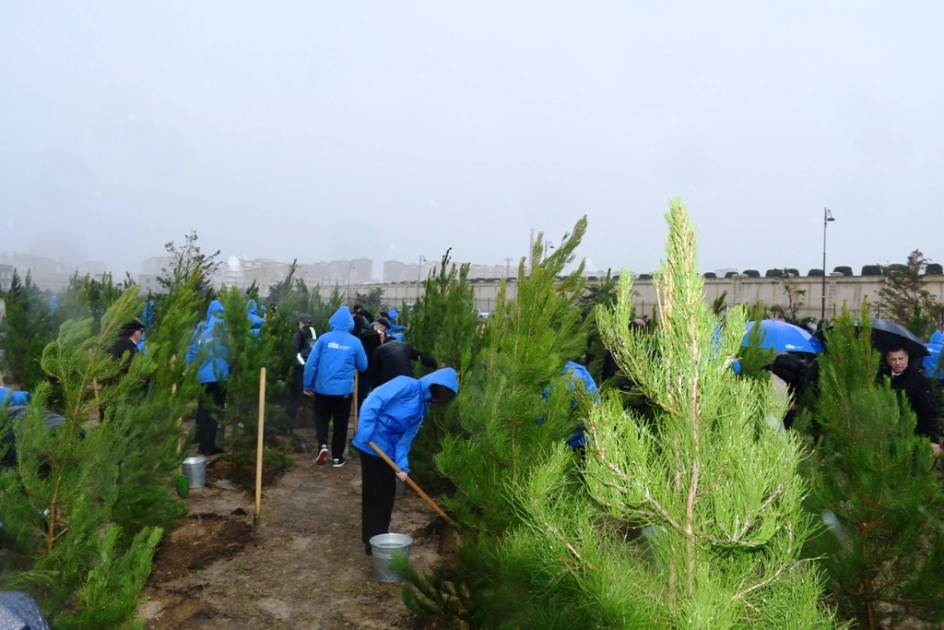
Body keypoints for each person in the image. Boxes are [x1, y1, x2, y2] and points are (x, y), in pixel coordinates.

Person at [352, 368, 458, 556]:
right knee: (380, 496)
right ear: (434, 386)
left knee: (380, 495)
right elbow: (373, 401)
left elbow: (405, 439)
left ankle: (371, 537)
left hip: (388, 452)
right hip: (372, 445)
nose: (438, 401)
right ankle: (375, 542)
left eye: (442, 400)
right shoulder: (405, 385)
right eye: (439, 397)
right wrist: (366, 431)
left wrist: (402, 465)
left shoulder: (421, 409)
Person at [304, 306, 368, 467]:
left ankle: (322, 445)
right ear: (350, 323)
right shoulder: (355, 342)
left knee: (321, 418)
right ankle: (338, 458)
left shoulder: (324, 339)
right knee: (341, 423)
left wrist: (308, 385)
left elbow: (311, 364)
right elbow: (363, 365)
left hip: (323, 389)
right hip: (344, 391)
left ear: (332, 321)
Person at [185, 300, 230, 456]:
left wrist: (190, 367)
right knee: (215, 412)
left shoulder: (202, 334)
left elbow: (190, 353)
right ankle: (210, 447)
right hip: (220, 378)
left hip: (202, 378)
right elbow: (233, 355)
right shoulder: (226, 333)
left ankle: (201, 445)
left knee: (203, 410)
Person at [881, 345, 941, 458]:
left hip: (912, 434)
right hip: (886, 434)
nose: (898, 363)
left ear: (907, 358)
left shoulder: (919, 380)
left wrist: (934, 439)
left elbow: (929, 411)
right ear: (888, 360)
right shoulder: (882, 377)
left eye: (901, 358)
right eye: (893, 359)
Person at [99, 318, 146, 421]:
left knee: (106, 427)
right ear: (135, 333)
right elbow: (136, 373)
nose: (141, 335)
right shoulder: (130, 349)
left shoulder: (110, 345)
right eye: (141, 332)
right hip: (123, 398)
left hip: (106, 395)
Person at [285, 313, 317, 423]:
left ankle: (287, 424)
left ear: (300, 323)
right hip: (317, 372)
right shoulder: (320, 334)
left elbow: (295, 353)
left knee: (294, 399)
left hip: (301, 370)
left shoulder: (299, 334)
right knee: (316, 400)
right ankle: (319, 424)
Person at [369, 337, 439, 388]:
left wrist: (374, 390)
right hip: (407, 379)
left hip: (389, 383)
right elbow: (422, 358)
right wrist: (437, 364)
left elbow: (375, 372)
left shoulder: (379, 349)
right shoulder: (405, 346)